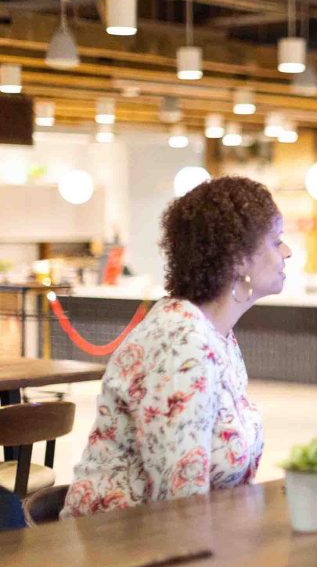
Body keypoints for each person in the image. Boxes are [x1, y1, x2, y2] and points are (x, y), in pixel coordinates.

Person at [62, 177, 291, 518]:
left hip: (182, 540)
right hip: (117, 549)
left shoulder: (216, 334)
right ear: (238, 259)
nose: (287, 251)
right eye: (276, 242)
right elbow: (180, 505)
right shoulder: (181, 344)